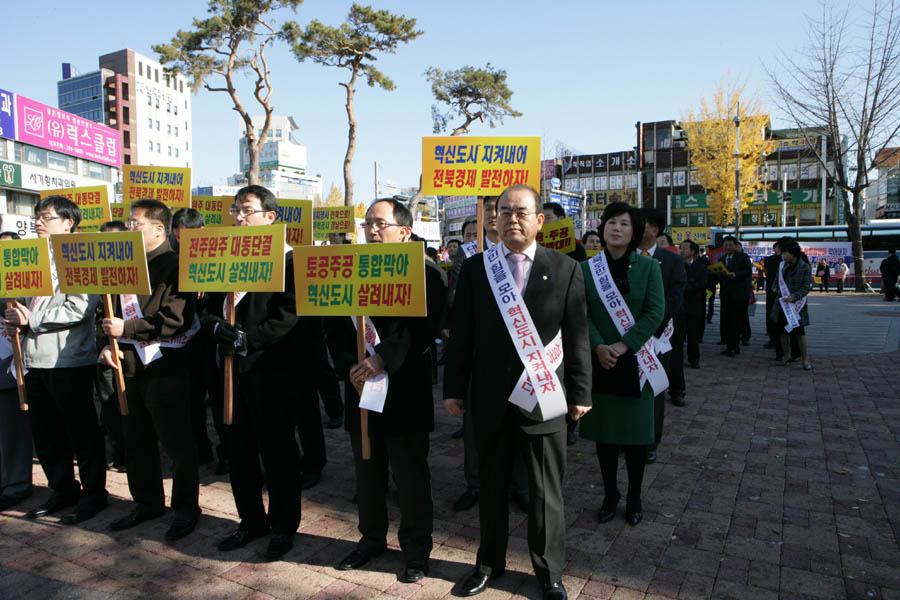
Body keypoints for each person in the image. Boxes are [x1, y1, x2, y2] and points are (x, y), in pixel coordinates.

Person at [444, 184, 592, 600]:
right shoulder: (478, 269)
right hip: (489, 398)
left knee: (546, 493)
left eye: (521, 212)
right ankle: (488, 564)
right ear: (495, 218)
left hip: (544, 396)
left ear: (539, 220)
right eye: (504, 211)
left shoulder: (566, 268)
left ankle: (550, 573)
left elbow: (578, 336)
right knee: (491, 488)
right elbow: (461, 335)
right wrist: (453, 389)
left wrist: (581, 392)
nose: (512, 219)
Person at [330, 198, 444, 584]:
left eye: (380, 223)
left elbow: (424, 328)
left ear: (405, 231)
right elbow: (334, 323)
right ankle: (371, 538)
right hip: (359, 387)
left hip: (403, 389)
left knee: (410, 477)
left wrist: (383, 359)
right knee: (367, 473)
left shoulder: (426, 273)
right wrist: (349, 364)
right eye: (368, 223)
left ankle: (416, 549)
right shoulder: (349, 269)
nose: (372, 230)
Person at [206, 185, 319, 560]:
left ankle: (283, 526)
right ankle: (250, 520)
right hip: (228, 373)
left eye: (247, 210)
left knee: (278, 453)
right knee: (238, 452)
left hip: (271, 373)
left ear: (271, 217)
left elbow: (291, 315)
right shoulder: (223, 256)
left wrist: (247, 339)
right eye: (235, 210)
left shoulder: (291, 261)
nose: (239, 217)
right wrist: (216, 327)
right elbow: (206, 306)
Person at [100, 199, 201, 541]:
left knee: (176, 443)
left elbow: (175, 319)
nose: (129, 229)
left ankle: (186, 509)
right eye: (128, 223)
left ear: (159, 229)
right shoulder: (123, 264)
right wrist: (108, 343)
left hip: (165, 366)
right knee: (136, 440)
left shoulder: (176, 266)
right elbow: (108, 312)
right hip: (128, 365)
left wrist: (126, 329)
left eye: (135, 224)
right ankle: (146, 502)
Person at [5, 196, 108, 525]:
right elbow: (19, 301)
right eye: (37, 216)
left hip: (68, 359)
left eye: (46, 217)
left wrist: (32, 320)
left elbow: (80, 308)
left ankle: (94, 494)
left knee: (81, 432)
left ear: (68, 223)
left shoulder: (81, 256)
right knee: (47, 434)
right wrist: (14, 314)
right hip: (33, 360)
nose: (38, 222)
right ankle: (62, 490)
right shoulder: (31, 256)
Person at [579, 201, 664, 529]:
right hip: (600, 361)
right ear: (602, 228)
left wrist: (623, 344)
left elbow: (655, 312)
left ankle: (635, 496)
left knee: (637, 438)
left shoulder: (649, 268)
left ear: (635, 232)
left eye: (624, 224)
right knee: (606, 436)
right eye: (611, 222)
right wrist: (598, 345)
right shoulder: (586, 269)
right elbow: (581, 313)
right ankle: (610, 494)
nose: (616, 228)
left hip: (637, 362)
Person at [638, 209, 685, 462]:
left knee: (653, 393)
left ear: (655, 230)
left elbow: (676, 297)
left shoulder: (672, 261)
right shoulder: (622, 257)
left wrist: (651, 324)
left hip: (657, 338)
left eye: (640, 223)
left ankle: (650, 442)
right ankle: (628, 436)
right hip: (625, 338)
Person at [0, 231, 34, 512]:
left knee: (12, 428)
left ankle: (16, 484)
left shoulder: (24, 273)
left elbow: (22, 307)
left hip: (9, 361)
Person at [94, 221, 128, 473]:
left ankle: (131, 453)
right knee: (109, 406)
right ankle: (119, 451)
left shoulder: (136, 271)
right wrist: (105, 344)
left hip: (133, 351)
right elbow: (98, 316)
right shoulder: (95, 273)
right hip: (105, 350)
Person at [771, 239, 813, 370]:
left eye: (785, 253)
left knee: (800, 333)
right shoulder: (783, 265)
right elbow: (776, 280)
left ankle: (805, 359)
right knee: (783, 332)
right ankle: (786, 356)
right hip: (783, 305)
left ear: (793, 253)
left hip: (797, 305)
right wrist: (774, 288)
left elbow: (806, 287)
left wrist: (793, 297)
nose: (783, 255)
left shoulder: (805, 267)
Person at [718, 236, 752, 357]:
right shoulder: (722, 259)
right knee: (726, 321)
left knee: (736, 322)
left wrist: (736, 275)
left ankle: (734, 346)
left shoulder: (743, 257)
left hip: (739, 295)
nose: (727, 247)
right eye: (725, 245)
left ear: (735, 245)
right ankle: (729, 346)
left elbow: (747, 271)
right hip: (725, 295)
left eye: (730, 245)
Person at [679, 240, 707, 371]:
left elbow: (701, 285)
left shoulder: (701, 267)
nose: (682, 251)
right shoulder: (676, 265)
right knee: (678, 337)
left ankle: (694, 359)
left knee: (693, 336)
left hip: (693, 306)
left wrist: (684, 288)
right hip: (678, 306)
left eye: (685, 248)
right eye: (681, 248)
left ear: (693, 251)